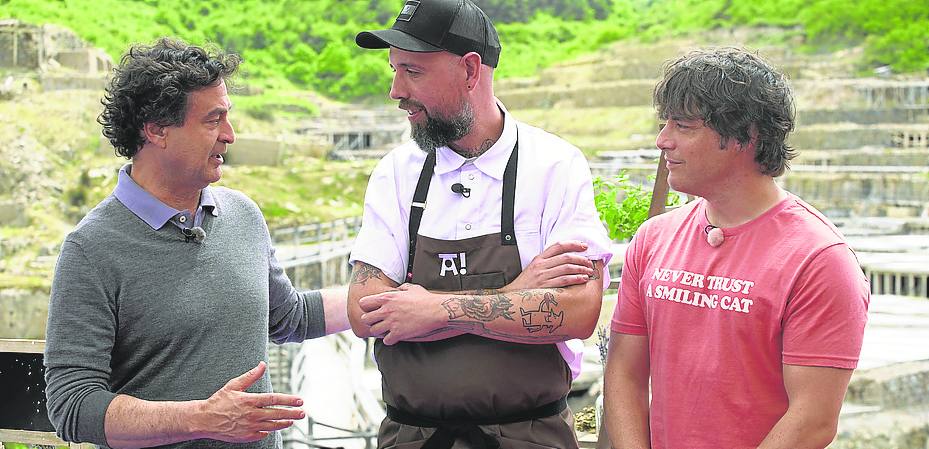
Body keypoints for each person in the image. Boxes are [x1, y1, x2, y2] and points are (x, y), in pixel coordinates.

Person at [43, 38, 351, 449]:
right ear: (155, 129)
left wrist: (384, 296)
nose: (230, 135)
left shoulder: (244, 215)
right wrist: (202, 420)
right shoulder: (91, 250)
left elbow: (289, 316)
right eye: (213, 120)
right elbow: (72, 405)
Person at [348, 1, 613, 448]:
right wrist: (516, 294)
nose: (396, 90)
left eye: (413, 71)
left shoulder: (554, 166)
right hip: (411, 436)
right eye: (394, 70)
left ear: (471, 70)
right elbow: (365, 312)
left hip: (529, 435)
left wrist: (433, 310)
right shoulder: (395, 172)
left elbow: (578, 311)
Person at [604, 47, 870, 449]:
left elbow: (812, 420)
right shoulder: (654, 238)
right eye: (665, 124)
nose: (663, 141)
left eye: (683, 126)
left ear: (746, 135)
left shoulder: (819, 260)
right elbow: (624, 371)